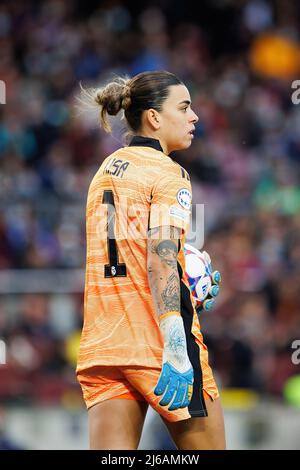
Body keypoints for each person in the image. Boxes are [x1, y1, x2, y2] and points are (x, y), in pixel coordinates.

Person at [76, 71, 226, 450]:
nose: (194, 117)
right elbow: (160, 257)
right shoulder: (167, 172)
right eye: (185, 107)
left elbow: (123, 256)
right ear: (154, 118)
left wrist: (188, 287)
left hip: (104, 345)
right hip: (158, 342)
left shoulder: (104, 171)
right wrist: (176, 342)